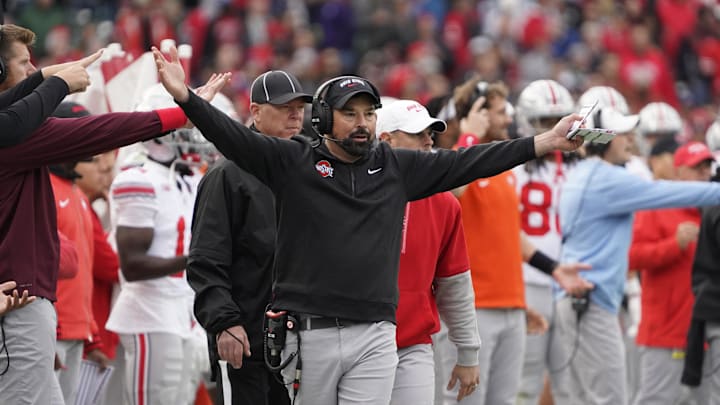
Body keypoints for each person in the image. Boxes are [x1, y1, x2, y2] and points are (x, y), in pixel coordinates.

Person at [153, 45, 590, 405]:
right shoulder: (294, 163)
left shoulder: (395, 167)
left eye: (369, 114)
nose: (362, 124)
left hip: (378, 333)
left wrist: (545, 141)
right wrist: (186, 99)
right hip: (311, 334)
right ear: (324, 120)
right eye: (350, 114)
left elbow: (467, 162)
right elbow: (235, 139)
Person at [0, 23, 226, 404]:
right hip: (34, 304)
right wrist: (178, 113)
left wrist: (44, 78)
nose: (31, 71)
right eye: (24, 64)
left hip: (47, 309)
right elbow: (97, 131)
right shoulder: (18, 138)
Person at [555, 106, 720, 405]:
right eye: (623, 134)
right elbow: (671, 193)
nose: (631, 141)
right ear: (603, 139)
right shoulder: (606, 178)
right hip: (591, 301)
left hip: (580, 299)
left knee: (587, 398)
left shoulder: (584, 173)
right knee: (611, 399)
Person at [444, 77, 586, 405]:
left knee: (508, 400)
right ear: (477, 113)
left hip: (510, 302)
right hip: (473, 306)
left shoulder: (504, 171)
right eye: (498, 111)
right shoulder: (456, 159)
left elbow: (510, 234)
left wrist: (552, 270)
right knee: (464, 401)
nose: (509, 118)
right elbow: (451, 189)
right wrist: (470, 134)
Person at [187, 70, 311, 405]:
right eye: (285, 106)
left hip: (305, 340)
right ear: (255, 112)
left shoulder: (312, 168)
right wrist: (224, 322)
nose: (295, 114)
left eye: (300, 106)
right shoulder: (227, 175)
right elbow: (205, 259)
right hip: (247, 339)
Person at [106, 83, 226, 405]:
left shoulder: (187, 179)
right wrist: (197, 260)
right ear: (161, 131)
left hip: (183, 311)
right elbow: (132, 265)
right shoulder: (138, 180)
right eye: (188, 125)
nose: (196, 134)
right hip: (150, 314)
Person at [375, 99, 481, 404]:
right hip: (356, 340)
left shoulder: (444, 202)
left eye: (430, 133)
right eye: (417, 133)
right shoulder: (352, 191)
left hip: (413, 344)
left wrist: (468, 352)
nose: (428, 140)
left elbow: (454, 283)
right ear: (386, 140)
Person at [629, 141, 714, 405]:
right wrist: (673, 245)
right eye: (696, 168)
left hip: (707, 333)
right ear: (678, 173)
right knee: (658, 400)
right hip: (667, 333)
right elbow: (632, 257)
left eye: (706, 168)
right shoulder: (657, 206)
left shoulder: (713, 211)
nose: (703, 175)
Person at [513, 79, 578, 405]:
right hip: (530, 279)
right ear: (526, 120)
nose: (552, 129)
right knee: (525, 379)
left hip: (568, 281)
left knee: (569, 378)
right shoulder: (515, 166)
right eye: (542, 121)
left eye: (558, 119)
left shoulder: (578, 166)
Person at [49, 102, 109, 404]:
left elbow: (84, 270)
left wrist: (92, 335)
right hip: (50, 331)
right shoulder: (43, 187)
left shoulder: (77, 193)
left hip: (76, 331)